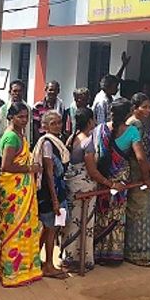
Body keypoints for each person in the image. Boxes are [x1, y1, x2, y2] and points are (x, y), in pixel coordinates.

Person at [90, 99, 150, 265]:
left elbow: (96, 155)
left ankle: (97, 252)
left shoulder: (99, 129)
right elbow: (141, 158)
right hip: (120, 178)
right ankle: (113, 254)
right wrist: (147, 178)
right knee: (117, 217)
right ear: (128, 113)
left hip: (103, 178)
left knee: (102, 213)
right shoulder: (132, 131)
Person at [0, 102, 43, 287]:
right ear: (11, 117)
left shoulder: (19, 134)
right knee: (15, 227)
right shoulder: (11, 138)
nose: (24, 120)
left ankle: (25, 269)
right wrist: (29, 168)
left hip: (22, 189)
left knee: (25, 227)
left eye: (26, 117)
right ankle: (11, 272)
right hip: (15, 190)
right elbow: (5, 166)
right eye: (20, 117)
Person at [32, 110, 70, 279]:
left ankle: (35, 259)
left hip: (56, 188)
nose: (57, 126)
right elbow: (49, 172)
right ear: (45, 126)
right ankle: (48, 265)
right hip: (49, 191)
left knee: (48, 229)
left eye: (59, 122)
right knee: (51, 228)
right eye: (53, 123)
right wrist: (55, 200)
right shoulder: (47, 143)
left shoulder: (57, 142)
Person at [62, 108, 98, 273]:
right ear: (90, 122)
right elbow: (91, 170)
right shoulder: (87, 142)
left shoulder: (73, 137)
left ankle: (69, 256)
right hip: (84, 186)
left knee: (72, 221)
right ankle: (79, 259)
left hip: (72, 184)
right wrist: (108, 182)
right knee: (83, 222)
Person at [124, 92, 150, 266]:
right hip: (137, 172)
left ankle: (131, 250)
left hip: (132, 171)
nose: (148, 110)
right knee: (141, 212)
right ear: (135, 108)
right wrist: (149, 176)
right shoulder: (136, 125)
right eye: (144, 107)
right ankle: (139, 254)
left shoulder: (131, 123)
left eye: (149, 107)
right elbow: (140, 156)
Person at [0, 79, 31, 143]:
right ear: (10, 92)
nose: (17, 93)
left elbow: (29, 129)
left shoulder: (28, 108)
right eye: (15, 91)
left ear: (23, 92)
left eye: (20, 91)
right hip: (8, 142)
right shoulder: (3, 109)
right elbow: (0, 130)